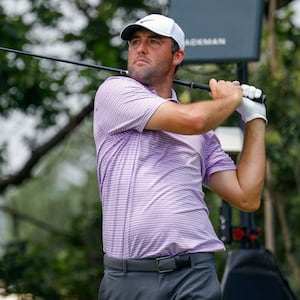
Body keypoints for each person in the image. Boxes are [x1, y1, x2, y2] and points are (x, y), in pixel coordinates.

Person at [93, 14, 267, 300]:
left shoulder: (203, 135)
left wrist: (255, 118)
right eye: (135, 42)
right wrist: (230, 99)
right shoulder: (115, 91)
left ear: (177, 56)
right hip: (129, 277)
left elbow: (246, 196)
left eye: (153, 42)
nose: (140, 48)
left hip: (194, 273)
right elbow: (192, 120)